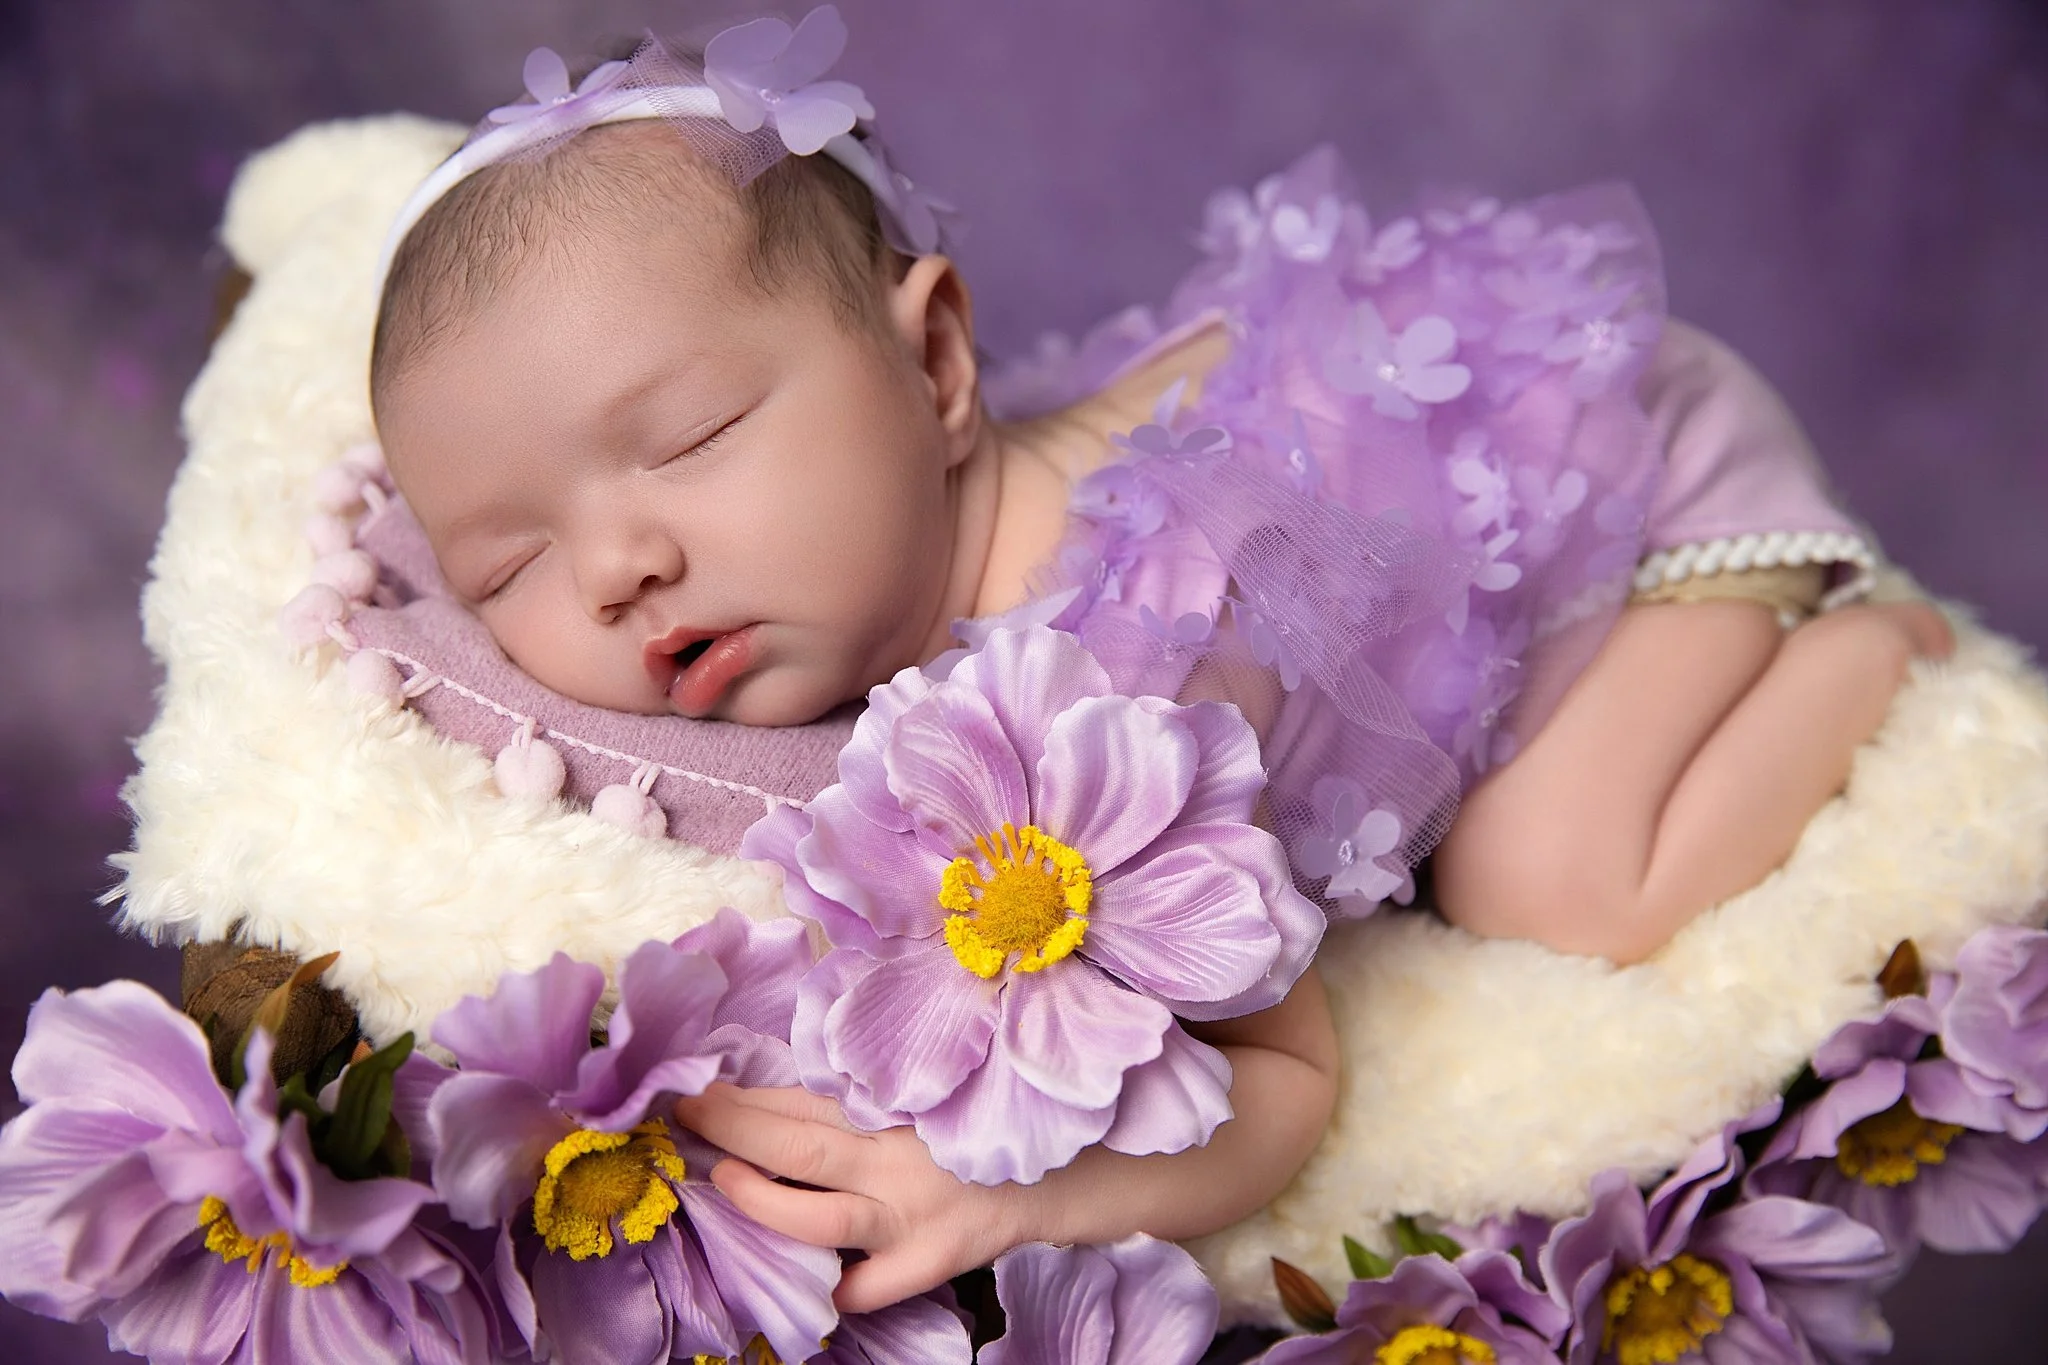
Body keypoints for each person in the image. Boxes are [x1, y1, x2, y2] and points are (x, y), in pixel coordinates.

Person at [366, 9, 1951, 1314]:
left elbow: (1285, 1078)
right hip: (1430, 429)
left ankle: (1871, 632)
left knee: (1550, 884)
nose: (614, 568)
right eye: (507, 562)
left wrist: (1002, 1192)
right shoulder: (889, 574)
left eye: (691, 438)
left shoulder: (1128, 676)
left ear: (933, 363)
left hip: (1628, 470)